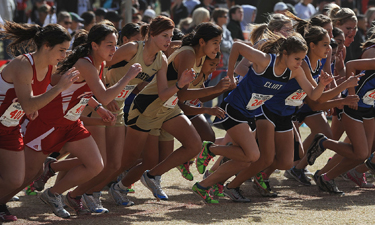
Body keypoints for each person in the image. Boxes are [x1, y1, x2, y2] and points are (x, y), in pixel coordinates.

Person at [3, 23, 141, 219]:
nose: (114, 50)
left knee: (96, 165)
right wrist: (128, 76)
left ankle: (54, 193)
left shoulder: (97, 64)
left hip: (70, 123)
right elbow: (105, 96)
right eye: (110, 45)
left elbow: (82, 92)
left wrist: (97, 108)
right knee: (26, 176)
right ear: (94, 45)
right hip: (49, 122)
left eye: (115, 45)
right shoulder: (84, 64)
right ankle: (2, 202)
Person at [109, 22, 223, 203]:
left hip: (169, 107)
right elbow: (183, 93)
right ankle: (96, 188)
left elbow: (189, 95)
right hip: (149, 106)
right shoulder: (188, 54)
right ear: (202, 42)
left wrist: (219, 90)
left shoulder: (201, 59)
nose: (218, 47)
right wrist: (214, 89)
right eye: (215, 42)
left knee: (193, 145)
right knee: (135, 160)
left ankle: (143, 179)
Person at [0, 22, 78, 222]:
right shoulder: (23, 64)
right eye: (61, 50)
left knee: (17, 179)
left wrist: (31, 109)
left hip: (10, 126)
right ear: (46, 46)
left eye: (66, 50)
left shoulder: (49, 66)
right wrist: (58, 88)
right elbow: (28, 104)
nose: (64, 55)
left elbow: (30, 100)